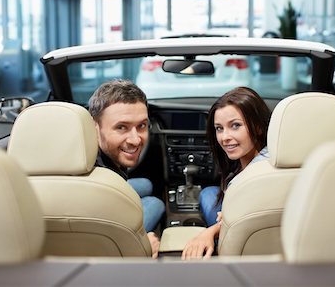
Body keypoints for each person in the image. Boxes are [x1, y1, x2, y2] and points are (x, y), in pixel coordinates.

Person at [182, 86, 271, 260]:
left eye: (235, 126)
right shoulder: (273, 156)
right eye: (219, 128)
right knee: (209, 193)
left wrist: (211, 232)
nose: (224, 137)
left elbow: (244, 222)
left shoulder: (252, 179)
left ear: (258, 126)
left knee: (206, 195)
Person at [88, 79, 165, 258]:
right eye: (121, 127)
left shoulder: (87, 151)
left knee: (146, 184)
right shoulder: (100, 180)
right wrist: (138, 245)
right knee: (155, 203)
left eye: (142, 126)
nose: (135, 140)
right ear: (95, 126)